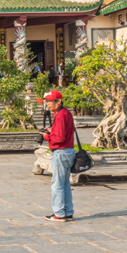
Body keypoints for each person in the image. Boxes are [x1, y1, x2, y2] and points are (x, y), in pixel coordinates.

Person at [40, 90, 75, 223]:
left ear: (58, 101)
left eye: (50, 101)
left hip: (60, 152)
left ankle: (59, 213)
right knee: (65, 183)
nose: (48, 104)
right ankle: (67, 211)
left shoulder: (60, 115)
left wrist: (47, 136)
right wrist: (52, 131)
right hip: (68, 150)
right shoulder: (65, 112)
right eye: (47, 101)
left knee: (57, 184)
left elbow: (59, 138)